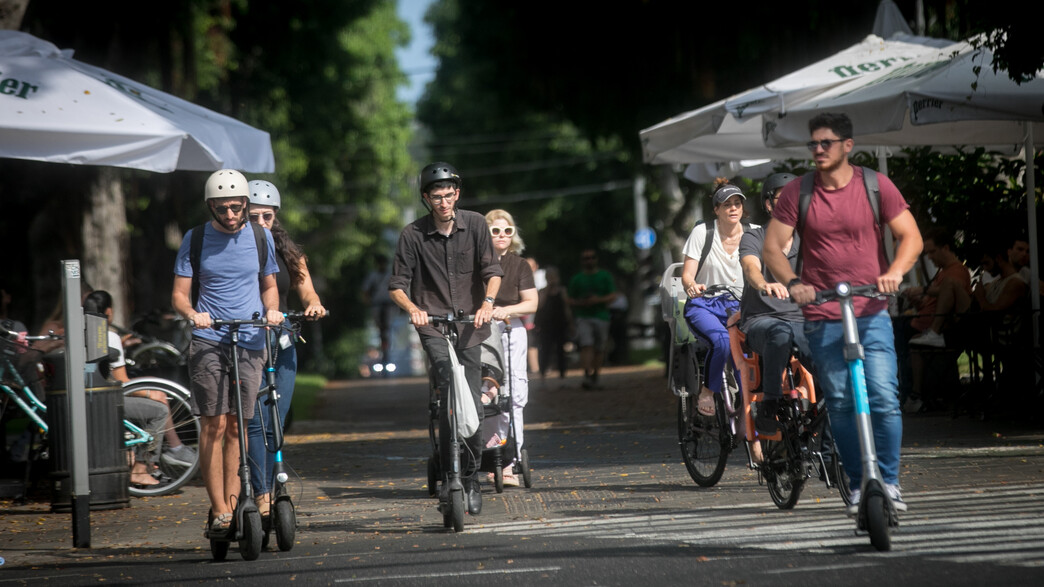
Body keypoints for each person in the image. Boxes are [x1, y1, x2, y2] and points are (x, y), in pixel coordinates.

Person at [763, 112, 923, 515]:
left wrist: (894, 272)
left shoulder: (875, 185)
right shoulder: (797, 192)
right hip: (822, 315)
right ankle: (857, 485)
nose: (818, 150)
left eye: (826, 143)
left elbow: (911, 236)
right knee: (840, 401)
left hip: (871, 311)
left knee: (884, 396)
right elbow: (772, 249)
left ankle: (888, 480)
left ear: (847, 146)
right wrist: (793, 281)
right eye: (813, 144)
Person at [171, 169, 283, 537]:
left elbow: (269, 286)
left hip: (250, 339)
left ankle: (236, 505)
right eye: (223, 209)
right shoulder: (196, 239)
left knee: (239, 425)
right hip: (209, 339)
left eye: (237, 207)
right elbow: (180, 295)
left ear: (246, 204)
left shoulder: (260, 236)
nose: (231, 215)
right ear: (211, 207)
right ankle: (218, 509)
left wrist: (272, 310)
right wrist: (192, 315)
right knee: (213, 423)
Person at [388, 162, 502, 515]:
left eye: (449, 194)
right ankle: (448, 470)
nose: (443, 202)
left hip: (470, 324)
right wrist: (413, 309)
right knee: (447, 387)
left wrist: (487, 304)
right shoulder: (412, 235)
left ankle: (469, 477)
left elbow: (492, 272)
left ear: (457, 193)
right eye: (436, 196)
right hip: (433, 326)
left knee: (472, 399)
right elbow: (396, 286)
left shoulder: (477, 225)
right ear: (426, 198)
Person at [244, 180, 327, 520]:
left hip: (282, 340)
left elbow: (307, 291)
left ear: (275, 215)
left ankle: (268, 483)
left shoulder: (289, 253)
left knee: (275, 420)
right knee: (255, 419)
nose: (261, 222)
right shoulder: (236, 251)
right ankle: (259, 488)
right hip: (248, 342)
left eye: (267, 216)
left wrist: (314, 306)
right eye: (253, 216)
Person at [737, 173, 813, 436]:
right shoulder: (755, 238)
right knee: (779, 332)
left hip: (802, 321)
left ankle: (832, 408)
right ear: (769, 205)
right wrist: (763, 284)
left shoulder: (810, 239)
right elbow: (750, 267)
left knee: (825, 344)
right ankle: (769, 405)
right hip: (762, 320)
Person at [82, 290, 182, 488]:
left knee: (153, 385)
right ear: (109, 312)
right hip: (105, 401)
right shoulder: (108, 337)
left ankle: (168, 453)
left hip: (83, 398)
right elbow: (121, 382)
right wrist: (147, 392)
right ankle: (142, 467)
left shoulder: (73, 333)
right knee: (159, 408)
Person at [680, 180, 756, 416]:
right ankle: (707, 391)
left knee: (757, 350)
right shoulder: (702, 232)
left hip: (741, 306)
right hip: (705, 305)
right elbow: (687, 276)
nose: (733, 209)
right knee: (722, 341)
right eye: (726, 205)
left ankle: (753, 407)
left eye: (737, 204)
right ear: (716, 210)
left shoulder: (754, 233)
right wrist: (692, 286)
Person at [483, 209, 538, 487]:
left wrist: (504, 310)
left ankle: (511, 460)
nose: (502, 236)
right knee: (489, 395)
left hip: (510, 329)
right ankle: (492, 457)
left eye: (507, 231)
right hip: (481, 332)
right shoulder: (473, 264)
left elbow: (531, 303)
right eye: (495, 231)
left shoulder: (519, 265)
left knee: (515, 395)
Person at [904, 228, 973, 348]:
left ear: (945, 248)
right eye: (927, 253)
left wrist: (922, 289)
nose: (929, 257)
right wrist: (918, 302)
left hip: (932, 330)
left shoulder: (957, 271)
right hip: (921, 326)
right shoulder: (942, 272)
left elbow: (951, 292)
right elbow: (936, 301)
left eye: (932, 252)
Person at [567, 250, 617, 389]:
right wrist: (582, 303)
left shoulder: (604, 276)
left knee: (600, 347)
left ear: (596, 259)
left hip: (601, 316)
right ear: (582, 261)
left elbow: (613, 295)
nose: (589, 260)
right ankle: (587, 374)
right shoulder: (577, 279)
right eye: (586, 258)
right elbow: (569, 299)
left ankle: (596, 373)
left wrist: (597, 300)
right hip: (583, 317)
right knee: (586, 345)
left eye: (592, 258)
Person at [536, 266, 572, 380]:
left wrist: (570, 323)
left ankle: (562, 373)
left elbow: (567, 308)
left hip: (560, 324)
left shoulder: (562, 291)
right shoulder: (542, 291)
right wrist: (547, 291)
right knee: (545, 349)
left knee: (561, 350)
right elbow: (539, 305)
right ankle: (542, 373)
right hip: (546, 326)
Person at [361, 254, 395, 368]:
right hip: (377, 305)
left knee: (387, 328)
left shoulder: (390, 275)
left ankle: (387, 350)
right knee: (380, 328)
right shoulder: (373, 276)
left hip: (389, 305)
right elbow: (365, 291)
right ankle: (383, 347)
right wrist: (368, 302)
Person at [523, 257, 545, 374]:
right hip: (526, 318)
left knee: (534, 342)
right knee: (530, 342)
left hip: (539, 317)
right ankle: (535, 369)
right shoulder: (521, 279)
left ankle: (537, 369)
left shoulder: (542, 280)